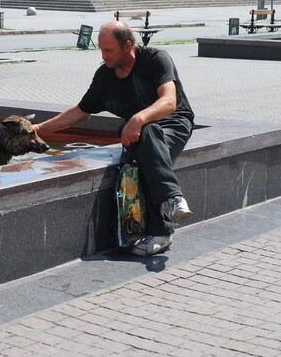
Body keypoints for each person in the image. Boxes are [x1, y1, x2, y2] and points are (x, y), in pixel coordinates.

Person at [34, 21, 195, 256]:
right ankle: (172, 201)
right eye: (100, 49)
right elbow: (81, 111)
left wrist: (139, 119)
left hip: (173, 123)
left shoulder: (155, 59)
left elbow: (170, 102)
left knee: (145, 143)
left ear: (128, 45)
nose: (103, 55)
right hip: (139, 131)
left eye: (109, 50)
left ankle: (162, 231)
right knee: (144, 142)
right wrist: (40, 129)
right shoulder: (105, 76)